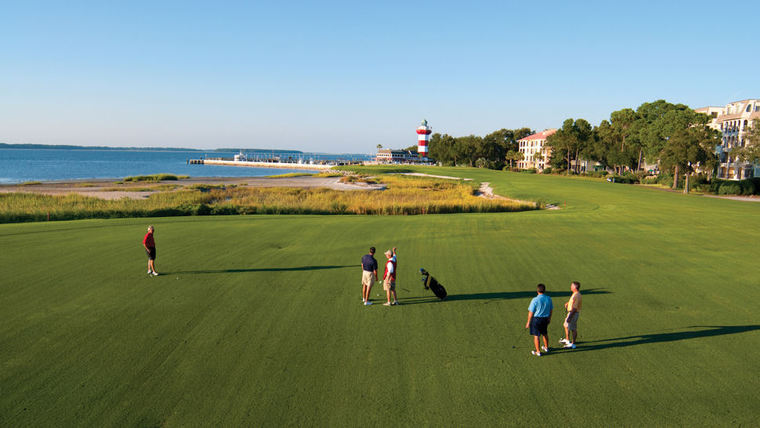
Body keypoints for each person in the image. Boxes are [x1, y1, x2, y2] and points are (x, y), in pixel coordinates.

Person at [525, 283, 553, 356]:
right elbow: (551, 310)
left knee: (536, 336)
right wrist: (549, 318)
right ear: (544, 290)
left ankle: (538, 351)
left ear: (537, 291)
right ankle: (546, 347)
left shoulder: (535, 300)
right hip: (545, 319)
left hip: (536, 320)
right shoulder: (549, 298)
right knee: (545, 333)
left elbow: (531, 312)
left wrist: (528, 322)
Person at [560, 281, 582, 349]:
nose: (570, 287)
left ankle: (573, 344)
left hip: (573, 313)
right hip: (571, 312)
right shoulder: (575, 294)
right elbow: (573, 302)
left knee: (573, 328)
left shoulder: (577, 295)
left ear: (575, 287)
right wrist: (568, 303)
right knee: (565, 325)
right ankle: (567, 340)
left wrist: (570, 316)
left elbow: (575, 308)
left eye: (572, 286)